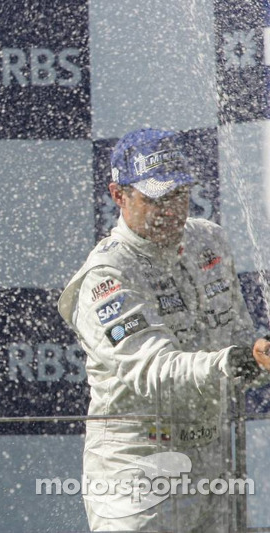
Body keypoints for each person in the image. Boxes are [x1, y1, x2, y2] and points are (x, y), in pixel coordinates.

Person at [57, 127, 270, 531]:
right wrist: (233, 363)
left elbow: (239, 345)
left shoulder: (210, 241)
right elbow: (154, 373)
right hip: (137, 473)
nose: (171, 210)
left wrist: (259, 356)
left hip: (214, 466)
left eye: (178, 195)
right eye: (154, 198)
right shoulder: (108, 274)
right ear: (118, 194)